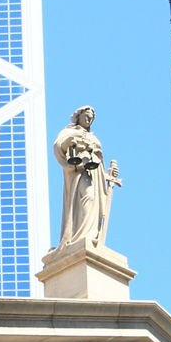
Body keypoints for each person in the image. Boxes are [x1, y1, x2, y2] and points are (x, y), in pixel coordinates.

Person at [53, 106, 118, 248]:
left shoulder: (93, 137)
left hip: (93, 173)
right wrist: (73, 141)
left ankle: (91, 233)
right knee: (88, 196)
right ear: (79, 116)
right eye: (87, 116)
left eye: (91, 118)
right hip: (78, 172)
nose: (89, 119)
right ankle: (81, 235)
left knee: (93, 200)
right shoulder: (70, 131)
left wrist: (108, 175)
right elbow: (58, 146)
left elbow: (98, 163)